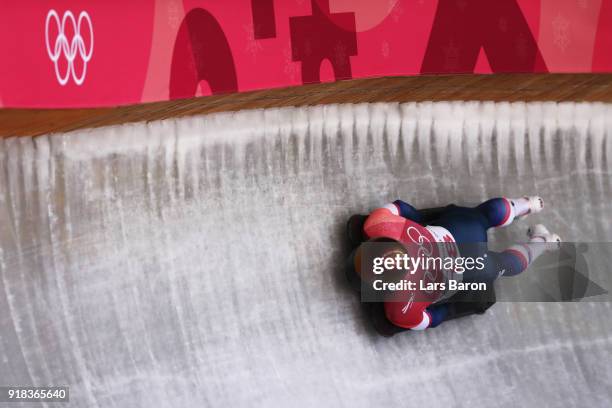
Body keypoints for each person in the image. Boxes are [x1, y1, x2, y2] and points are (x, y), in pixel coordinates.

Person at [348, 197, 561, 332]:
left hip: (468, 271)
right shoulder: (379, 225)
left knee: (503, 265)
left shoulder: (402, 306)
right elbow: (404, 209)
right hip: (459, 230)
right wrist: (417, 220)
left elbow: (433, 318)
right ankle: (527, 204)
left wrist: (450, 306)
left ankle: (543, 243)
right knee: (483, 215)